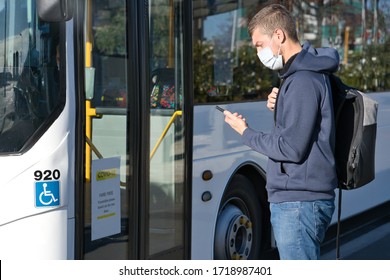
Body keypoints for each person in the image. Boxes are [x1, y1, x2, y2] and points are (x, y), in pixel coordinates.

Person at [223, 4, 339, 260]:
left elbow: (291, 148)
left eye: (258, 44)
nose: (258, 52)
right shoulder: (300, 78)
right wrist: (283, 105)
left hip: (299, 201)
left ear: (279, 35)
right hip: (300, 198)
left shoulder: (303, 81)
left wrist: (245, 132)